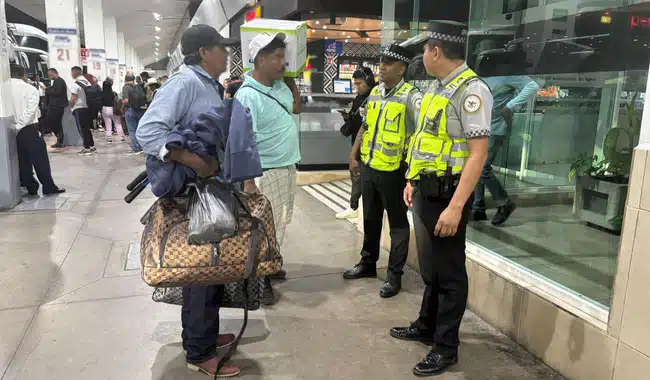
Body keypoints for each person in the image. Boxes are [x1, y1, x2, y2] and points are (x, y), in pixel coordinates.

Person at [136, 24, 240, 378]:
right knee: (200, 271)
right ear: (204, 53)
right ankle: (199, 351)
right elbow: (148, 131)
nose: (226, 53)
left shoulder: (207, 84)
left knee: (208, 267)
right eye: (221, 48)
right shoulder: (184, 83)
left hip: (205, 189)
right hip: (189, 194)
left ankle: (203, 336)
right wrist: (197, 162)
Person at [390, 22, 492, 377]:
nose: (422, 56)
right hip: (426, 190)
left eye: (426, 49)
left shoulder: (472, 90)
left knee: (449, 274)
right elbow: (428, 142)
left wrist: (456, 206)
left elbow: (477, 154)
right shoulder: (438, 87)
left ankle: (446, 347)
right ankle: (426, 325)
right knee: (431, 267)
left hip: (449, 195)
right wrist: (412, 179)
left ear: (436, 51)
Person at [342, 44, 422, 298]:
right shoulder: (375, 93)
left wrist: (413, 173)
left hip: (395, 171)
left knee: (397, 225)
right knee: (371, 218)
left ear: (402, 69)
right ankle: (367, 264)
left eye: (389, 63)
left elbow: (421, 135)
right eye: (382, 62)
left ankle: (394, 275)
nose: (383, 67)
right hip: (370, 166)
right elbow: (365, 127)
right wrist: (354, 155)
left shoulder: (411, 97)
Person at [234, 33, 302, 305]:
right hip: (265, 172)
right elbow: (242, 141)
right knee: (261, 227)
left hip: (286, 167)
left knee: (280, 222)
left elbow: (295, 107)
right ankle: (258, 279)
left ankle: (269, 264)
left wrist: (291, 78)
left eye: (284, 58)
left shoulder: (280, 87)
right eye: (277, 58)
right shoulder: (247, 95)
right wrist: (249, 182)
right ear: (259, 59)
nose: (282, 63)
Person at [473, 75, 539, 225]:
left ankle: (504, 202)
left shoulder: (508, 74)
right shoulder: (481, 74)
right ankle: (478, 208)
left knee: (481, 168)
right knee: (476, 166)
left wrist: (511, 105)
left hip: (495, 128)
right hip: (478, 128)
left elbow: (532, 86)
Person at [10, 64, 65, 196]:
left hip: (9, 130)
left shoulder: (3, 89)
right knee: (40, 160)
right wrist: (19, 126)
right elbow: (30, 110)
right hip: (28, 129)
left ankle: (31, 188)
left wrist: (13, 127)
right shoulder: (30, 89)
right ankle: (48, 187)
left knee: (22, 160)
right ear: (23, 74)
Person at [335, 67, 377, 220]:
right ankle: (354, 206)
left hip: (369, 145)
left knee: (361, 176)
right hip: (356, 141)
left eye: (359, 83)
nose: (357, 87)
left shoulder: (376, 96)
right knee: (356, 175)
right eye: (355, 84)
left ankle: (358, 208)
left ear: (369, 81)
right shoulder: (359, 97)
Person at [70, 66, 96, 155]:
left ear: (74, 73)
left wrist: (71, 106)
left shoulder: (75, 84)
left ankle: (86, 148)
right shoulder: (87, 82)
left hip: (79, 108)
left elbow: (73, 99)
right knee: (87, 128)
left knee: (82, 129)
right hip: (87, 107)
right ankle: (92, 146)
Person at [122, 73, 147, 154]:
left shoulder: (126, 87)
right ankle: (141, 147)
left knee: (132, 130)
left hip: (130, 110)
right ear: (133, 79)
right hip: (140, 110)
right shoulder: (138, 86)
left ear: (125, 79)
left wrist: (122, 107)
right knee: (139, 129)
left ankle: (135, 149)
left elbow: (126, 100)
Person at [45, 68, 68, 148]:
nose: (50, 77)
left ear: (55, 73)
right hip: (53, 106)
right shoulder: (55, 82)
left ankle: (60, 140)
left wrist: (47, 90)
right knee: (52, 123)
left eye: (51, 75)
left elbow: (57, 92)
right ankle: (59, 139)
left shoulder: (60, 81)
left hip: (57, 107)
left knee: (55, 123)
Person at [101, 78, 125, 143]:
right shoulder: (113, 93)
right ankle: (121, 137)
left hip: (104, 109)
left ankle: (109, 137)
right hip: (113, 109)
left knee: (107, 123)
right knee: (117, 123)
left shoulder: (101, 93)